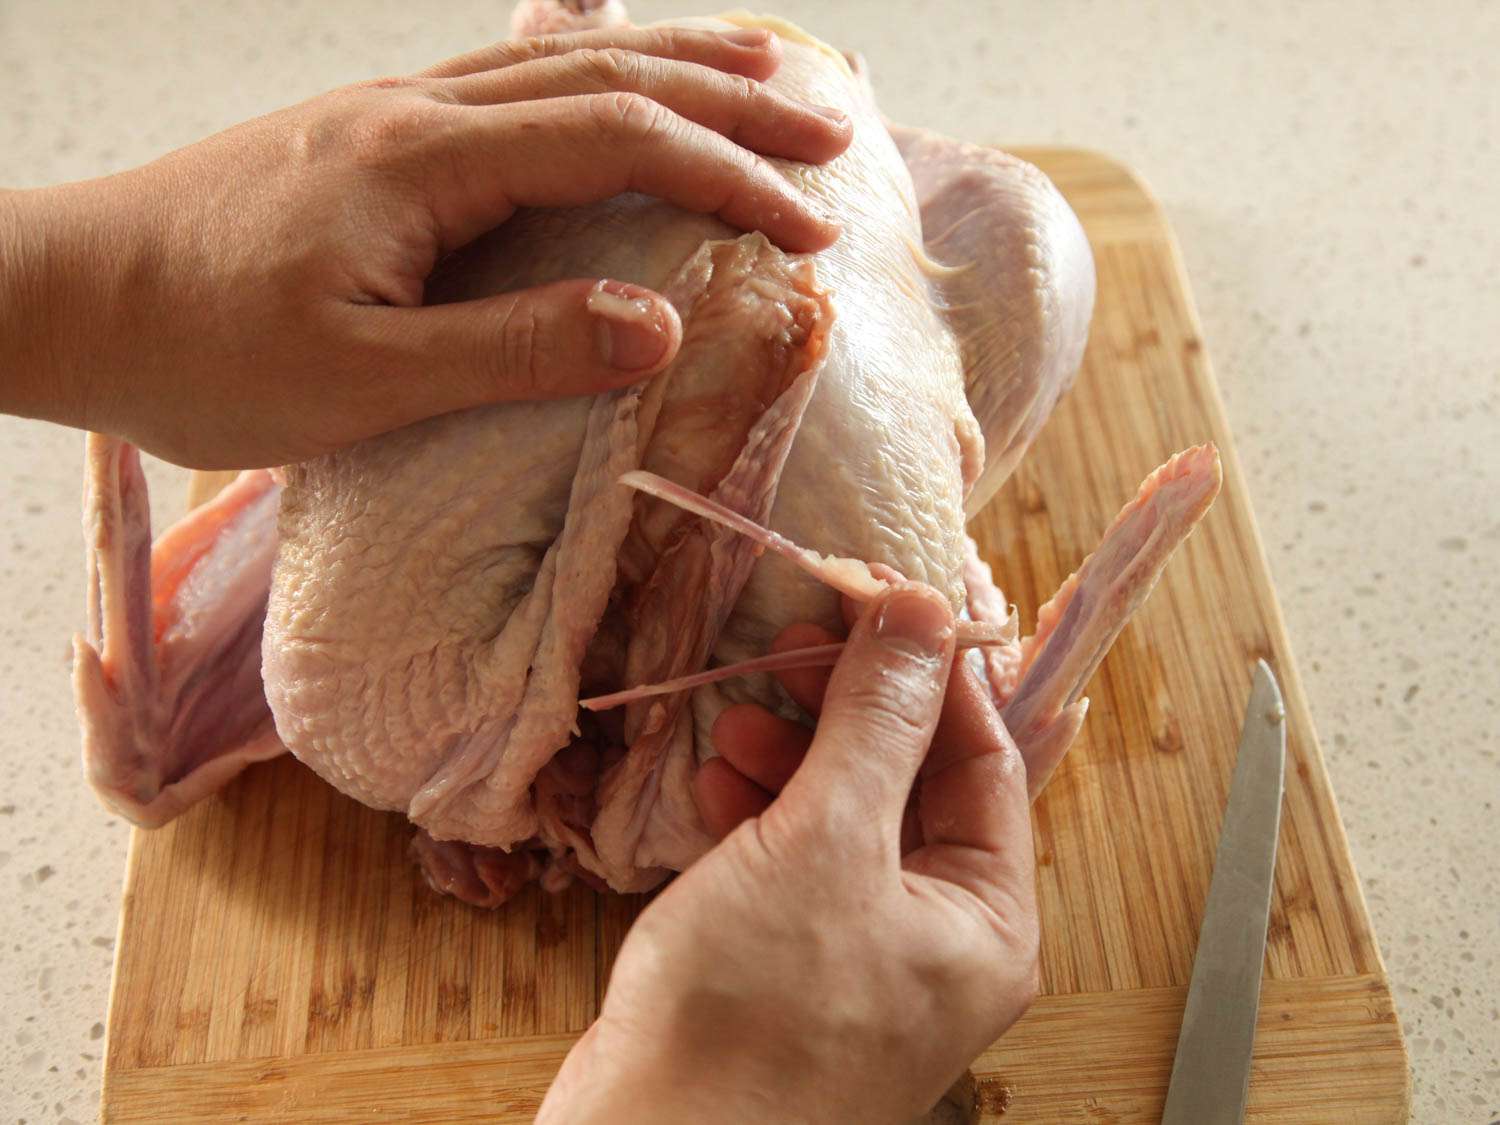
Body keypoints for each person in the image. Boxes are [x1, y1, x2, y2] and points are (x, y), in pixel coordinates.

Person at [2, 27, 1041, 1123]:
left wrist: (101, 284)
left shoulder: (356, 704)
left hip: (422, 689)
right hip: (807, 691)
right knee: (1030, 225)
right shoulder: (887, 143)